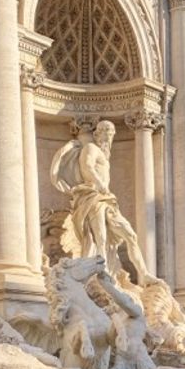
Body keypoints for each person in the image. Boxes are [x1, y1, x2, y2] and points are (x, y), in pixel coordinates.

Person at [50, 120, 153, 286]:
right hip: (92, 196)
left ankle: (144, 274)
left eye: (111, 133)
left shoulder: (104, 155)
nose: (108, 136)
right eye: (104, 132)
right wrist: (100, 183)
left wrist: (104, 188)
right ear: (96, 134)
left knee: (130, 235)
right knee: (100, 238)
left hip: (106, 199)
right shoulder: (91, 148)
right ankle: (101, 276)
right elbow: (87, 167)